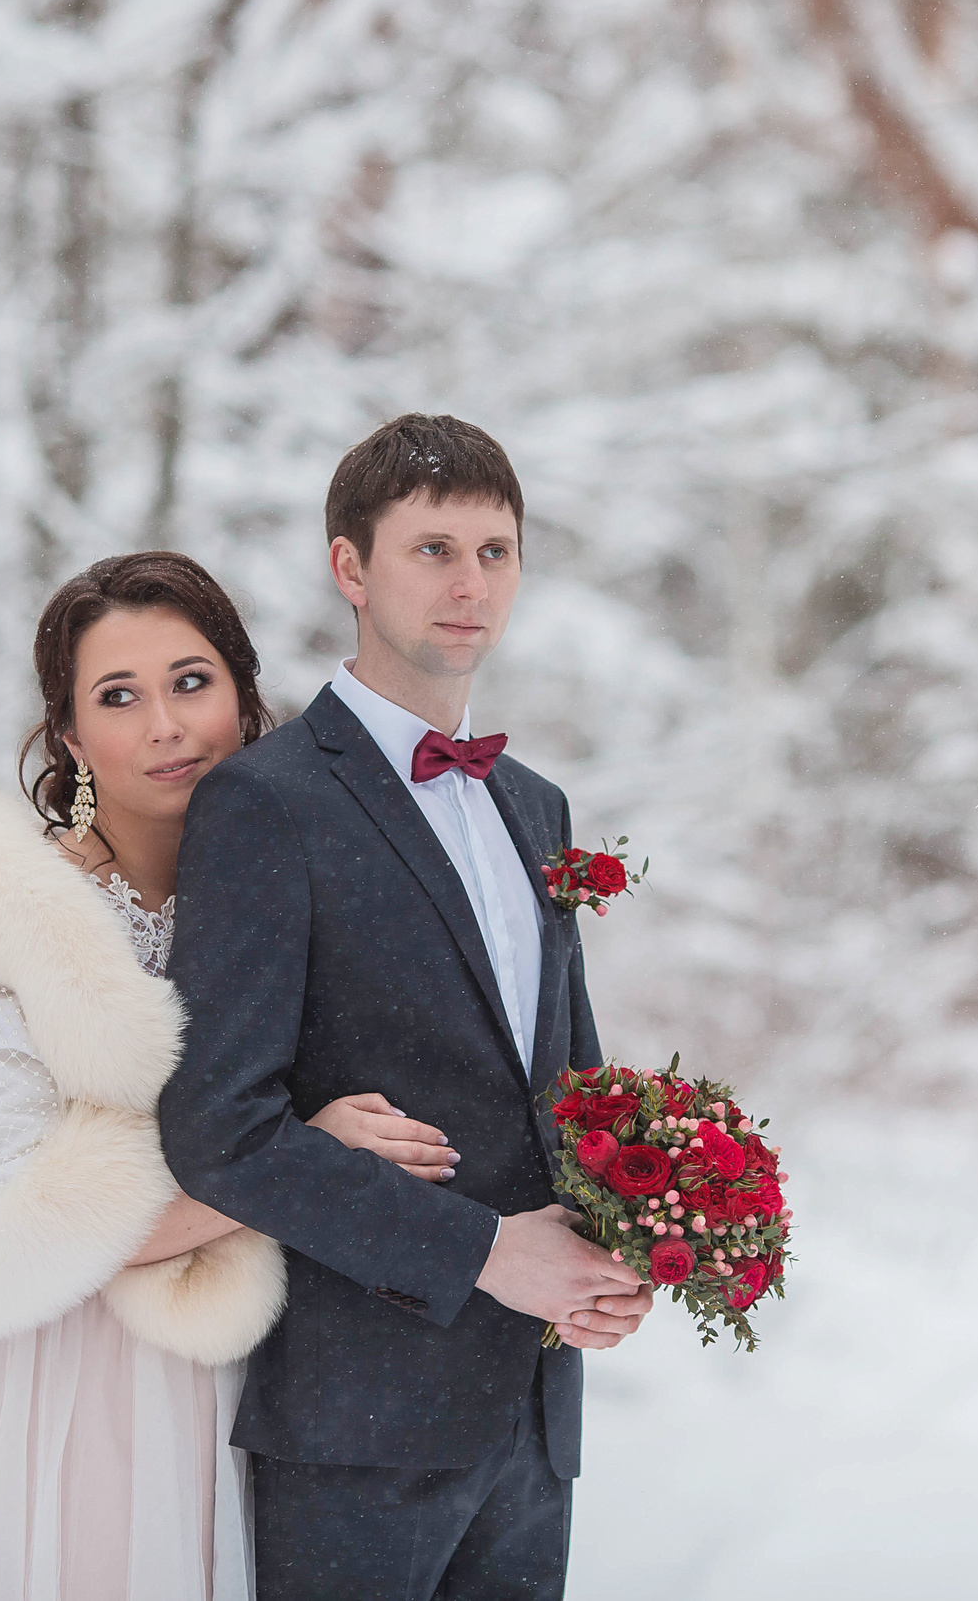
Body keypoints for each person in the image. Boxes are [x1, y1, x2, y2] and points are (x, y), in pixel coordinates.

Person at [0, 551, 460, 1601]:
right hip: (46, 1398)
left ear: (241, 695)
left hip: (276, 1385)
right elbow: (11, 1208)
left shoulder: (320, 885)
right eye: (118, 698)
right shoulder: (2, 917)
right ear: (73, 736)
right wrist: (304, 1163)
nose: (165, 727)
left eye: (190, 682)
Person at [161, 414, 656, 1601]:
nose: (470, 583)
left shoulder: (536, 806)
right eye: (432, 548)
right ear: (350, 567)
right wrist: (486, 1253)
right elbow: (220, 1128)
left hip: (534, 1425)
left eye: (496, 551)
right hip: (356, 1426)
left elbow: (559, 1094)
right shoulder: (264, 805)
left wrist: (613, 1250)